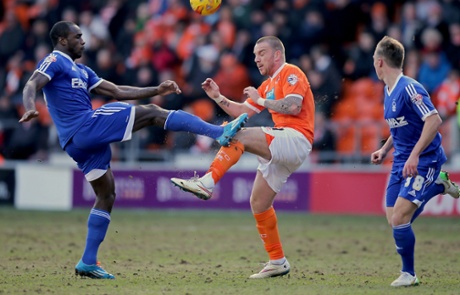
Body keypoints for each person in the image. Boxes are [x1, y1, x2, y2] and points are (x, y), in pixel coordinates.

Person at [19, 21, 248, 279]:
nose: (83, 41)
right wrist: (29, 107)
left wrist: (155, 89)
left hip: (78, 143)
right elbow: (31, 84)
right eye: (78, 36)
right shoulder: (55, 60)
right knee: (152, 114)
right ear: (62, 40)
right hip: (83, 127)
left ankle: (88, 261)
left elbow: (117, 91)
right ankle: (220, 132)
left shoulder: (82, 70)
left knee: (107, 195)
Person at [170, 36, 314, 279]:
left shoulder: (291, 72)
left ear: (277, 54)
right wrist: (217, 96)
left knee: (240, 136)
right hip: (285, 146)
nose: (256, 58)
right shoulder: (267, 84)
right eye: (255, 54)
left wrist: (260, 100)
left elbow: (292, 107)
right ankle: (277, 260)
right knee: (259, 203)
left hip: (296, 138)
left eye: (262, 53)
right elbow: (242, 111)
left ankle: (207, 182)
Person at [370, 36, 460, 287]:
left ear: (379, 63)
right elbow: (400, 127)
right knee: (393, 219)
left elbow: (433, 120)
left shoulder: (410, 87)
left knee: (400, 219)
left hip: (424, 160)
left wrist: (414, 155)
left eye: (374, 62)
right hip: (401, 160)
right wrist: (385, 148)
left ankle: (409, 274)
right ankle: (438, 186)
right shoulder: (388, 92)